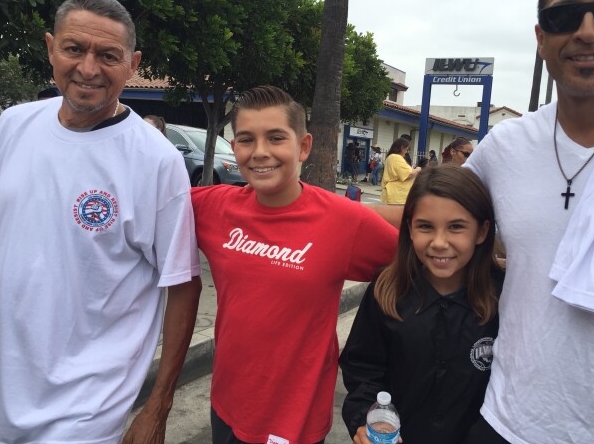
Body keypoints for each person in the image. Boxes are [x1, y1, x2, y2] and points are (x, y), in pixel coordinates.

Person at [0, 0, 202, 443]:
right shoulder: (12, 125)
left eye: (108, 55)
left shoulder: (156, 161)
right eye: (73, 49)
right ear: (50, 47)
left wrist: (159, 406)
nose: (88, 68)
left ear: (133, 63)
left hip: (86, 412)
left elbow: (182, 284)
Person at [461, 0, 594, 442]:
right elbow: (428, 218)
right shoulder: (503, 148)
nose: (587, 31)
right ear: (542, 37)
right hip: (508, 422)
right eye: (565, 16)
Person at [191, 85, 399, 444]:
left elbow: (418, 263)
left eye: (275, 138)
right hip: (226, 404)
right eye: (245, 139)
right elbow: (144, 198)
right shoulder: (213, 206)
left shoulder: (344, 222)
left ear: (303, 146)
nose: (259, 153)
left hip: (294, 420)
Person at [340, 165, 503, 444]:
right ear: (410, 228)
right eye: (425, 226)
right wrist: (364, 420)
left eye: (456, 227)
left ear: (481, 231)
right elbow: (363, 369)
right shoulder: (386, 289)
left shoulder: (504, 294)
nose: (439, 243)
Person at [381, 137, 421, 205]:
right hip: (398, 196)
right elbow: (409, 174)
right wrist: (418, 169)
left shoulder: (391, 157)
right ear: (402, 148)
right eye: (406, 149)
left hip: (396, 194)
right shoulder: (396, 157)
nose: (406, 151)